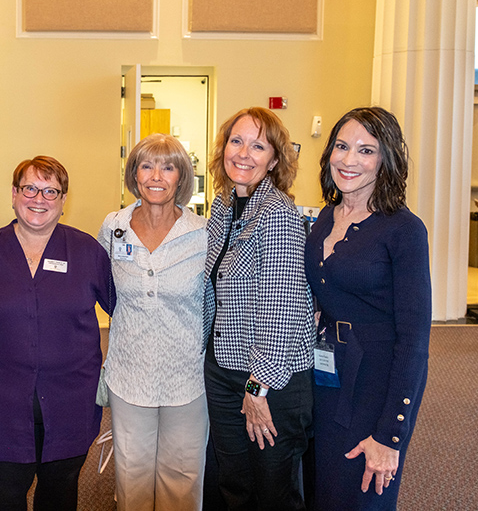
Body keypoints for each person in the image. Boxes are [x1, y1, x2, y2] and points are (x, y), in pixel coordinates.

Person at [305, 107, 431, 509]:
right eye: (342, 146)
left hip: (374, 385)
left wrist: (391, 436)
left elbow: (415, 343)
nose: (349, 160)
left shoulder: (404, 229)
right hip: (324, 376)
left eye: (366, 150)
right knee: (320, 491)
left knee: (359, 497)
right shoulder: (326, 218)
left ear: (385, 159)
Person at [0, 155, 112, 511]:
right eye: (30, 188)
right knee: (3, 497)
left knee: (59, 495)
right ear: (14, 194)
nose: (39, 199)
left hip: (70, 404)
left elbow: (126, 313)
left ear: (63, 201)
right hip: (1, 406)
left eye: (51, 191)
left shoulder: (87, 252)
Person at [203, 107, 315, 510]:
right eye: (236, 141)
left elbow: (282, 308)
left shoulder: (277, 214)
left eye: (258, 146)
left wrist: (257, 388)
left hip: (270, 381)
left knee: (274, 493)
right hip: (223, 370)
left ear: (274, 159)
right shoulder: (223, 206)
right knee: (234, 486)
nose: (243, 153)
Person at [98, 134, 208, 511]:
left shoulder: (202, 233)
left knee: (183, 479)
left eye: (168, 167)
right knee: (133, 478)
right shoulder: (114, 227)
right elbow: (102, 287)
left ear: (182, 177)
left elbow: (215, 301)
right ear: (134, 174)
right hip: (130, 375)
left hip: (186, 377)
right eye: (147, 166)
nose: (156, 176)